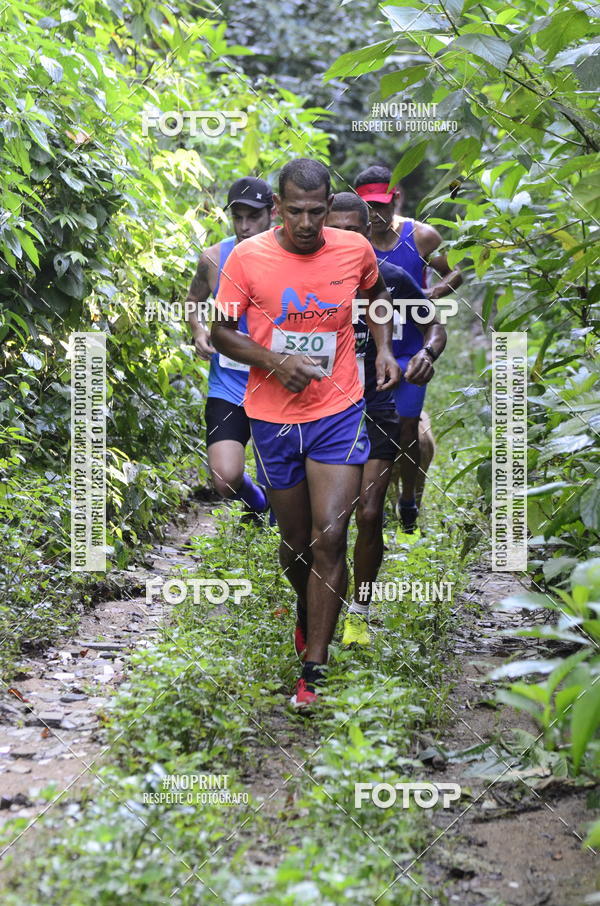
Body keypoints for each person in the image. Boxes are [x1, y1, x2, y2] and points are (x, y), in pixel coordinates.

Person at [211, 158, 399, 708]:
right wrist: (272, 359)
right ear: (278, 208)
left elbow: (377, 296)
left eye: (318, 211)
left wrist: (383, 347)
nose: (308, 223)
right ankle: (311, 606)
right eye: (295, 211)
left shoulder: (353, 249)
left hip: (338, 408)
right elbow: (221, 331)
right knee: (294, 547)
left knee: (330, 536)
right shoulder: (246, 259)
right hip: (271, 416)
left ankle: (314, 668)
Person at [325, 193, 445, 646]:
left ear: (368, 234)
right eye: (334, 230)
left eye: (353, 231)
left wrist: (427, 353)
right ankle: (316, 607)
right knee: (329, 523)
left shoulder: (391, 278)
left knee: (370, 512)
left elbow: (435, 324)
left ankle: (360, 611)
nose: (344, 240)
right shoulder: (305, 281)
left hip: (378, 404)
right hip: (322, 410)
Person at [355, 165, 459, 531]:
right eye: (367, 207)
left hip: (411, 347)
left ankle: (409, 498)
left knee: (408, 430)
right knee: (369, 427)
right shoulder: (353, 242)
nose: (375, 215)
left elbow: (455, 269)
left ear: (395, 199)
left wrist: (431, 293)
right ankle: (373, 501)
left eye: (381, 205)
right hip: (367, 351)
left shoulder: (421, 236)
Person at [186, 177, 273, 519]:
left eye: (253, 217)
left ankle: (284, 521)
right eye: (237, 217)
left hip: (277, 380)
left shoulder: (289, 256)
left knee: (284, 473)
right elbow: (194, 299)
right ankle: (258, 503)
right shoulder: (213, 258)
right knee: (224, 479)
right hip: (229, 383)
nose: (244, 226)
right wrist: (197, 330)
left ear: (272, 213)